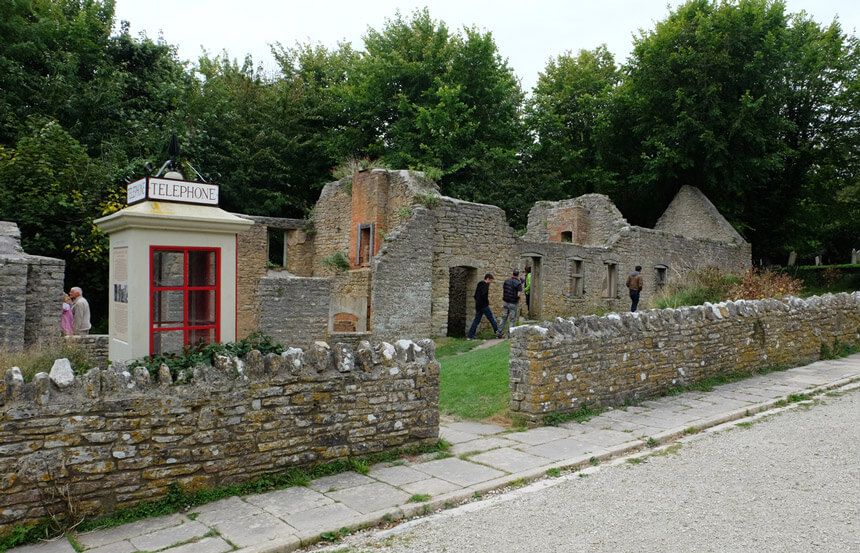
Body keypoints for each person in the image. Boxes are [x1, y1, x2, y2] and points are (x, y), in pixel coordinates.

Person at [467, 273, 502, 341]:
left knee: (476, 321)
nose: (490, 282)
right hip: (484, 306)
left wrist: (478, 302)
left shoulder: (479, 284)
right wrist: (486, 302)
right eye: (490, 280)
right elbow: (483, 295)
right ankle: (497, 333)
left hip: (478, 306)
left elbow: (475, 296)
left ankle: (470, 336)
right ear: (487, 279)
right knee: (492, 319)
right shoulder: (486, 285)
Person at [499, 269, 523, 336]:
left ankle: (499, 332)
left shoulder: (506, 281)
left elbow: (504, 289)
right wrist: (517, 299)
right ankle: (510, 333)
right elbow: (519, 293)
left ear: (513, 274)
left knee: (504, 317)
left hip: (505, 301)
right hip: (513, 302)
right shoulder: (518, 283)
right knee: (512, 318)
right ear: (518, 275)